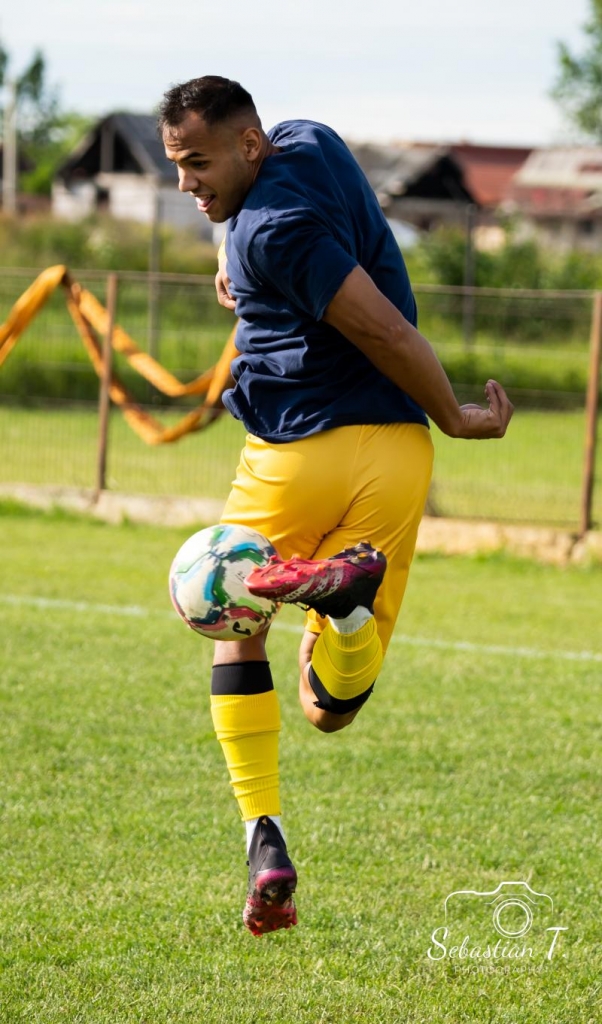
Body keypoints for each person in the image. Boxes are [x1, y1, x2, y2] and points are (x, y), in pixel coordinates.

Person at [159, 76, 513, 937]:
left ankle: (263, 836)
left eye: (197, 163)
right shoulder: (309, 140)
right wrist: (229, 245)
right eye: (177, 165)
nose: (186, 183)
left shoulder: (268, 234)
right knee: (329, 706)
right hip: (394, 459)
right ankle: (346, 608)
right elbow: (291, 211)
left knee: (234, 622)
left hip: (297, 455)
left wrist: (457, 414)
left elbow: (384, 329)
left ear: (248, 147)